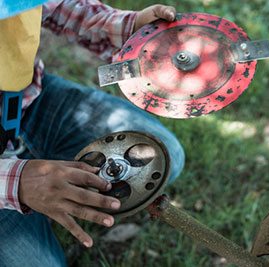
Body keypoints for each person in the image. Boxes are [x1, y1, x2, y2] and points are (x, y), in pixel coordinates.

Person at [0, 1, 185, 266]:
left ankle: (43, 196)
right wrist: (16, 183)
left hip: (26, 102)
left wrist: (131, 28)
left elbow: (56, 6)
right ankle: (32, 204)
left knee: (163, 155)